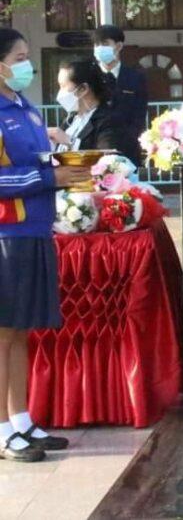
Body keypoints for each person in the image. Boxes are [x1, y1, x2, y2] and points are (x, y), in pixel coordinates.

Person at [0, 29, 91, 462]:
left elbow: (34, 164)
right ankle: (2, 430)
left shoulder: (27, 109)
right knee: (2, 333)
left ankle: (21, 420)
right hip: (6, 232)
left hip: (34, 229)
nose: (26, 65)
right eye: (19, 57)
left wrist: (64, 169)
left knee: (21, 331)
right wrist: (49, 176)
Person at [48, 60, 141, 162]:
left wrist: (70, 141)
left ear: (83, 89)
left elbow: (108, 159)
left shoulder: (109, 120)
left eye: (63, 86)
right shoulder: (71, 120)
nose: (60, 92)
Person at [92, 26, 148, 164]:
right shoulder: (89, 76)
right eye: (96, 44)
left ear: (118, 46)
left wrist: (129, 139)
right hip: (94, 150)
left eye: (105, 43)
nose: (99, 48)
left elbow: (139, 114)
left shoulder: (135, 77)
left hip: (127, 150)